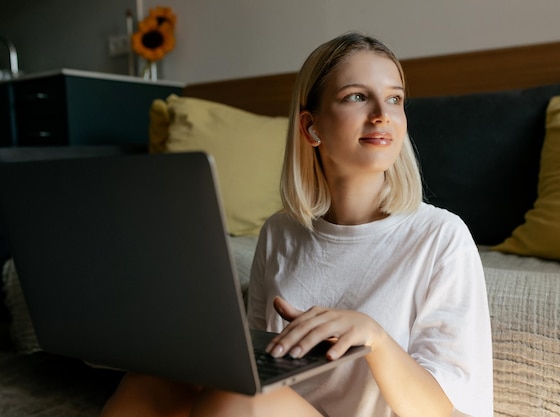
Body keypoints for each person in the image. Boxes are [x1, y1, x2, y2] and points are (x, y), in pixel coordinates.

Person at [101, 32, 493, 417]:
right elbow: (254, 366)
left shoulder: (441, 236)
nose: (382, 114)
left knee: (241, 400)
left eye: (394, 98)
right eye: (357, 96)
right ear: (311, 127)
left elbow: (444, 410)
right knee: (152, 380)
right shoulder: (279, 233)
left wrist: (374, 337)